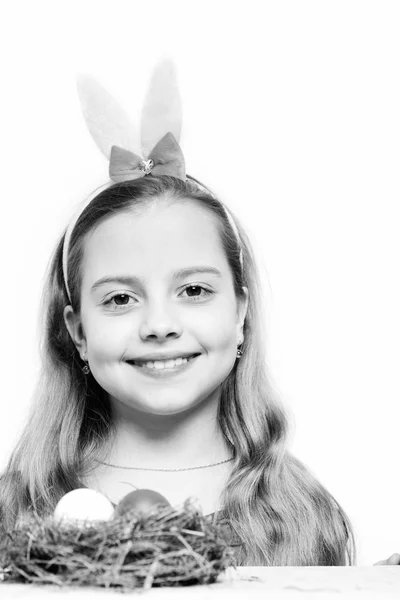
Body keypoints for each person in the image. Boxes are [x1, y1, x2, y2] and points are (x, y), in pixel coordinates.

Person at [0, 65, 398, 567]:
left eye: (193, 289)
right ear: (78, 332)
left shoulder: (297, 513)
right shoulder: (19, 512)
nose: (159, 324)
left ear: (240, 315)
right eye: (121, 299)